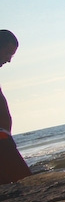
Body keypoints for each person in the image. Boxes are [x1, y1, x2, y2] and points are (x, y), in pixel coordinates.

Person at [1, 30, 32, 184]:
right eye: (8, 53)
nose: (9, 60)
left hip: (4, 137)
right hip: (2, 139)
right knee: (24, 180)